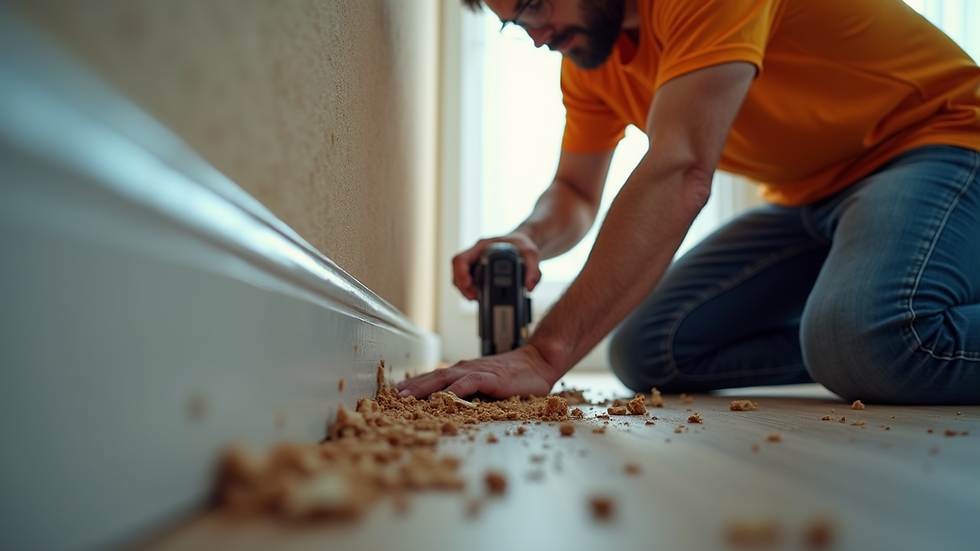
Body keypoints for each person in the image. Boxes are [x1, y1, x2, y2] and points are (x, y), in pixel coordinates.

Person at [397, 0, 980, 404]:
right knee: (652, 353)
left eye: (534, 5)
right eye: (514, 23)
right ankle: (857, 326)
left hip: (943, 143)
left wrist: (545, 355)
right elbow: (574, 192)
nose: (536, 34)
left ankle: (865, 330)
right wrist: (527, 237)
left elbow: (681, 171)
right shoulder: (590, 63)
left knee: (878, 341)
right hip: (813, 194)